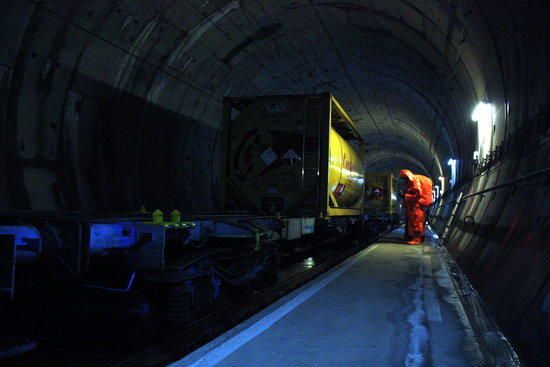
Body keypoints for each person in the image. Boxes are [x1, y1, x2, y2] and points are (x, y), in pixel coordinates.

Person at [399, 169, 433, 245]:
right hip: (418, 204)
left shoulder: (415, 180)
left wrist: (405, 196)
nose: (404, 180)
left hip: (417, 204)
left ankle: (416, 239)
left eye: (404, 178)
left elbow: (418, 194)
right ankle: (417, 237)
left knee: (416, 220)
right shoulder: (415, 179)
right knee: (417, 220)